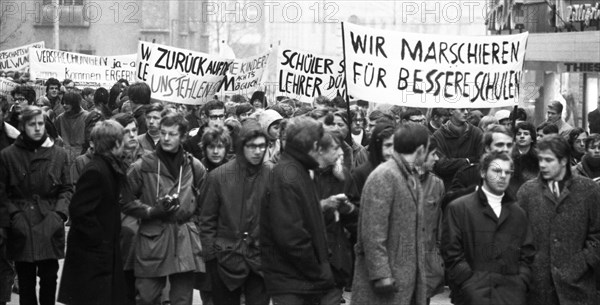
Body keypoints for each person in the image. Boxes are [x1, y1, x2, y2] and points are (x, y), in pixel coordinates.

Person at [121, 112, 206, 305]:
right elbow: (124, 200)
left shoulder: (193, 165)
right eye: (163, 133)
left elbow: (205, 201)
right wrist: (150, 211)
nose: (166, 138)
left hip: (184, 238)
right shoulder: (142, 165)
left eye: (172, 134)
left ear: (183, 137)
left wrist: (195, 225)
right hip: (152, 236)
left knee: (182, 300)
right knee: (147, 297)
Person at [0, 106, 72, 305]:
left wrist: (59, 215)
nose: (38, 128)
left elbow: (66, 188)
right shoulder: (8, 155)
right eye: (32, 124)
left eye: (41, 123)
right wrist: (14, 217)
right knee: (25, 281)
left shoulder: (59, 155)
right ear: (23, 126)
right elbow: (3, 193)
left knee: (49, 278)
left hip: (50, 223)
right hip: (22, 225)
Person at [442, 151, 535, 305]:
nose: (503, 176)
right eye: (497, 171)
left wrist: (521, 282)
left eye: (508, 172)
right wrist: (468, 283)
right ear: (483, 172)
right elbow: (451, 252)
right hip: (472, 296)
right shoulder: (459, 208)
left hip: (511, 296)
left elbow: (527, 254)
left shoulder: (518, 213)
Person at [260, 116, 336, 304]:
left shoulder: (299, 170)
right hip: (292, 280)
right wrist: (317, 270)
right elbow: (291, 236)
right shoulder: (288, 175)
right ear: (313, 145)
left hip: (298, 279)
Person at [351, 124, 429, 305]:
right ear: (420, 149)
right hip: (386, 284)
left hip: (404, 280)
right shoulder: (384, 176)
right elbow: (373, 231)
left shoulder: (409, 175)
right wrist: (381, 275)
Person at [518, 135, 600, 305]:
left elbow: (597, 233)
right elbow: (516, 235)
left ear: (563, 161)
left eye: (549, 160)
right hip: (538, 287)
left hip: (578, 286)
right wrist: (529, 267)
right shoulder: (527, 192)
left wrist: (582, 263)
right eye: (540, 159)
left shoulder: (588, 190)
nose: (542, 165)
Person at [57, 120, 129, 305]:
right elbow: (79, 210)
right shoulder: (96, 170)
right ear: (115, 143)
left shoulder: (107, 166)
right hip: (93, 256)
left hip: (99, 253)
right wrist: (100, 239)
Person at [199, 119, 270, 305]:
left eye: (262, 146)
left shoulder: (272, 175)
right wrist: (211, 259)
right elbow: (207, 221)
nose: (257, 151)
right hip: (225, 261)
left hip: (260, 261)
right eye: (252, 146)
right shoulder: (218, 177)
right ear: (241, 146)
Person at [313, 131, 360, 303]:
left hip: (335, 259)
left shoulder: (344, 176)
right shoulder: (300, 175)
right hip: (306, 258)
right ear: (319, 150)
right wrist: (323, 205)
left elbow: (357, 218)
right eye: (335, 149)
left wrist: (349, 209)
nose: (341, 153)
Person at [444, 125, 514, 207]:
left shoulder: (520, 174)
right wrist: (477, 191)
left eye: (509, 145)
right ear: (487, 148)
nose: (505, 149)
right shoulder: (468, 174)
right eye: (500, 145)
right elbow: (448, 202)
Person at [419, 139, 446, 301]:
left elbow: (439, 224)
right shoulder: (396, 179)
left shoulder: (437, 184)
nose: (436, 159)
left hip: (427, 261)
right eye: (433, 154)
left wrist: (437, 258)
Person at [432, 108, 483, 189]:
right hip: (448, 187)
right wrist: (467, 161)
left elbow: (481, 161)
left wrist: (453, 163)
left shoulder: (476, 133)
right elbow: (441, 165)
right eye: (462, 110)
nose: (466, 112)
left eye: (467, 109)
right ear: (451, 111)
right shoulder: (438, 135)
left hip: (472, 186)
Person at [351, 121, 395, 194]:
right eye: (388, 145)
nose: (392, 151)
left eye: (395, 145)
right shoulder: (360, 174)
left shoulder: (402, 170)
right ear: (378, 145)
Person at [54, 92, 89, 164]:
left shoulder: (87, 117)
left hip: (82, 155)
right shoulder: (60, 118)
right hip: (64, 156)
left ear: (75, 103)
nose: (64, 105)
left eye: (67, 103)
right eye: (63, 103)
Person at [512, 122, 540, 190]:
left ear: (532, 139)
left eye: (526, 134)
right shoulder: (509, 156)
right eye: (518, 134)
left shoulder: (538, 157)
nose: (522, 136)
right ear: (515, 138)